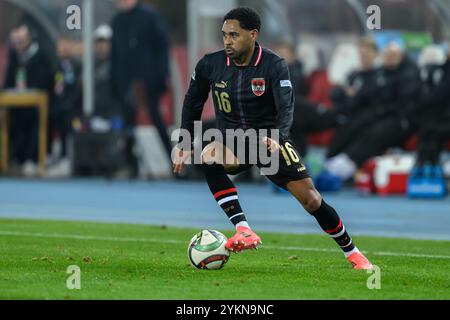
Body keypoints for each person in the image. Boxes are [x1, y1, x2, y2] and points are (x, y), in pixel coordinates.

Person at [172, 7, 373, 270]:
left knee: (311, 199)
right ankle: (243, 229)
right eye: (224, 35)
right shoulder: (211, 64)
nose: (227, 41)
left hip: (269, 141)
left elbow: (286, 106)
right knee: (209, 155)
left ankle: (353, 252)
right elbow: (193, 102)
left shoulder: (273, 64)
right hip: (232, 140)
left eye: (234, 35)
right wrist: (185, 143)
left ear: (253, 34)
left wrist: (278, 136)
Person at [326, 42, 422, 180]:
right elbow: (369, 95)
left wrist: (380, 110)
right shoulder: (381, 74)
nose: (390, 58)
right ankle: (333, 159)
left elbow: (404, 103)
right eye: (387, 55)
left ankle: (349, 164)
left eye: (394, 55)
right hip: (384, 116)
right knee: (356, 123)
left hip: (403, 120)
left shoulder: (408, 75)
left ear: (401, 56)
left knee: (376, 132)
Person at [110, 0, 172, 172]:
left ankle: (175, 163)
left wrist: (162, 76)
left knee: (156, 119)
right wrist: (114, 81)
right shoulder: (117, 21)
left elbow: (162, 48)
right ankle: (130, 165)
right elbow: (114, 54)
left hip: (149, 79)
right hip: (126, 80)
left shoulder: (150, 17)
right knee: (127, 122)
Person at [3, 23, 54, 176]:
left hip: (38, 105)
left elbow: (48, 81)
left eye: (21, 40)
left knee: (36, 121)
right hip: (17, 104)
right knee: (12, 120)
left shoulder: (41, 55)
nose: (18, 45)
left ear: (29, 39)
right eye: (16, 42)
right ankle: (14, 159)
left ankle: (34, 159)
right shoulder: (14, 57)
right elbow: (8, 81)